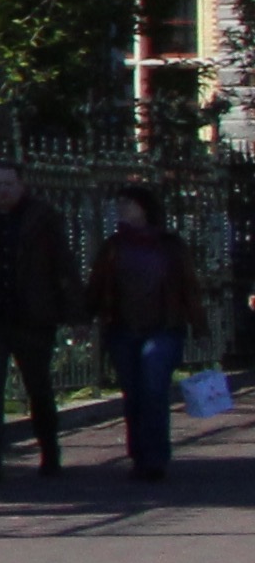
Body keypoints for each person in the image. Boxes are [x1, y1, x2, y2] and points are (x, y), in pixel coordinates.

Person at [0, 161, 74, 484]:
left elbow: (63, 264)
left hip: (33, 317)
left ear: (21, 186)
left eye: (8, 184)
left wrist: (71, 310)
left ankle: (49, 452)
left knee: (39, 388)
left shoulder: (42, 218)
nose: (2, 191)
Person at [88, 184, 195, 485]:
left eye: (128, 203)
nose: (122, 208)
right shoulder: (114, 247)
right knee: (134, 394)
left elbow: (188, 285)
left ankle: (155, 458)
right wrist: (85, 316)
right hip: (123, 329)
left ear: (144, 208)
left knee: (153, 390)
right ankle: (139, 454)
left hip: (163, 328)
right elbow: (98, 285)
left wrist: (198, 323)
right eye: (119, 203)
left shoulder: (169, 245)